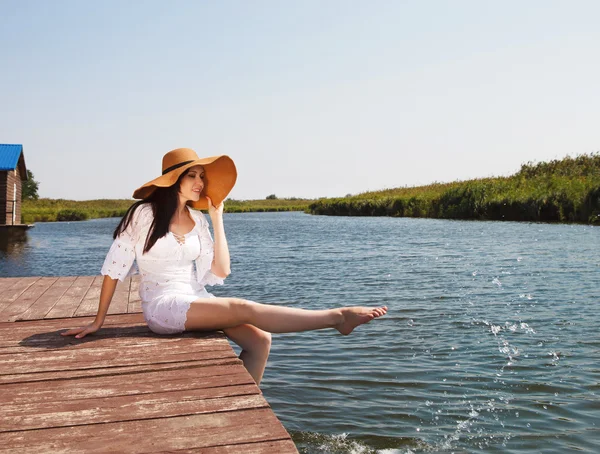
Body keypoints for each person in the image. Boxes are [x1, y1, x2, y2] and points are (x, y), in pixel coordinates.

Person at [62, 148, 388, 385]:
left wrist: (217, 218)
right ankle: (336, 318)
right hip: (163, 307)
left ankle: (241, 406)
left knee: (260, 341)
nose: (200, 182)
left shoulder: (197, 219)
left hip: (196, 298)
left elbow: (221, 271)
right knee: (242, 306)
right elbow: (113, 269)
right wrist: (98, 321)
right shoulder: (143, 215)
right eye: (192, 175)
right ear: (174, 179)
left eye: (202, 176)